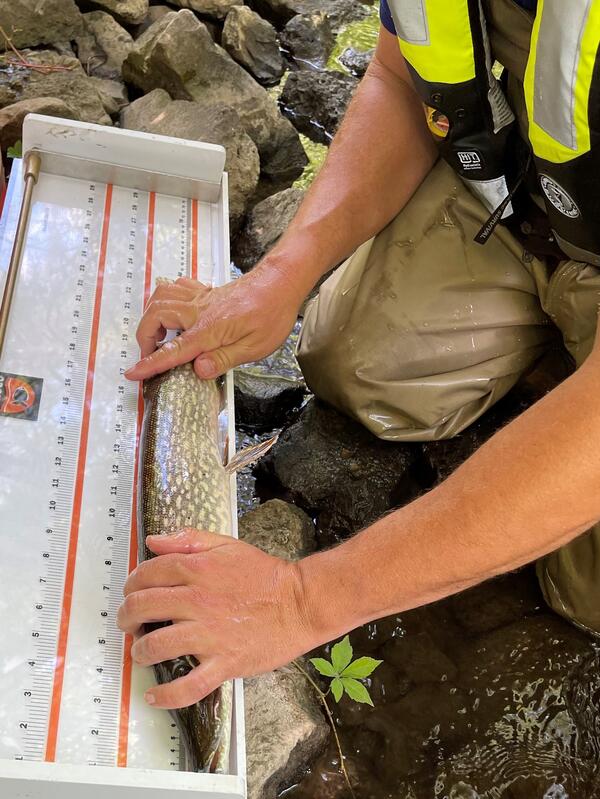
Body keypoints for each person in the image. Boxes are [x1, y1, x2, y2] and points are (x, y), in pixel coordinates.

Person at [118, 0, 600, 711]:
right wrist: (283, 274)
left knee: (583, 592)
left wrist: (305, 598)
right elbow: (400, 78)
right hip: (524, 197)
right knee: (353, 362)